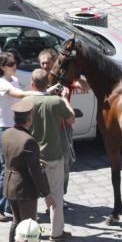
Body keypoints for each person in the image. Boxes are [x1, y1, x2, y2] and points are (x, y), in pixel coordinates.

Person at [25, 69, 75, 242]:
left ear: (32, 84)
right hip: (53, 155)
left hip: (33, 156)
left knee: (32, 197)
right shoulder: (56, 101)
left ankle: (31, 234)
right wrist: (64, 99)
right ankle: (56, 232)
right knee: (56, 195)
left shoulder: (27, 100)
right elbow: (71, 119)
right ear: (47, 83)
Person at [2, 100, 55, 242]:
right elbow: (34, 172)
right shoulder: (29, 141)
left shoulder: (6, 134)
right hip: (24, 189)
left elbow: (13, 158)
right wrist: (47, 194)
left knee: (16, 222)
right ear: (29, 119)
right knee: (29, 226)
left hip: (9, 185)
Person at [0, 51, 36, 222]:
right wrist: (39, 93)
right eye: (10, 64)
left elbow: (21, 102)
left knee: (14, 167)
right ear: (2, 67)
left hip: (15, 128)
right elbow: (18, 95)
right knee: (6, 168)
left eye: (15, 62)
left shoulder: (15, 80)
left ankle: (8, 204)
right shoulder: (0, 84)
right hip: (3, 129)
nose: (14, 66)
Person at [38, 49, 88, 197]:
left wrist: (77, 76)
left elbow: (86, 87)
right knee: (46, 165)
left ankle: (60, 195)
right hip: (46, 130)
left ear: (55, 63)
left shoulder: (64, 80)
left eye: (48, 63)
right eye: (42, 63)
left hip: (64, 129)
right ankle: (49, 196)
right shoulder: (39, 79)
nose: (45, 66)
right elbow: (35, 97)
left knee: (66, 163)